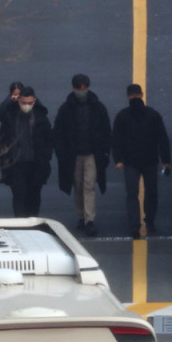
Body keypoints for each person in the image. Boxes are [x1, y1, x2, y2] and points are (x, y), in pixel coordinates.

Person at [53, 73, 111, 236]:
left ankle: (88, 218)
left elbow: (106, 130)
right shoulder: (68, 109)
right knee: (78, 185)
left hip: (91, 153)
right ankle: (82, 215)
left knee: (88, 185)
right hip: (75, 153)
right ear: (74, 88)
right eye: (79, 88)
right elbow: (58, 132)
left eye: (83, 89)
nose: (81, 91)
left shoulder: (95, 107)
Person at [111, 83, 171, 238]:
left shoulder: (122, 116)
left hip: (130, 162)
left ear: (127, 96)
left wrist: (118, 159)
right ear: (142, 94)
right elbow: (162, 139)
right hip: (150, 160)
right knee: (151, 192)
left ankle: (134, 226)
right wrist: (166, 160)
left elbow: (116, 140)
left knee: (132, 193)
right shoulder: (153, 114)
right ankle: (149, 221)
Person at [0, 85, 54, 217]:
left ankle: (32, 222)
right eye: (24, 102)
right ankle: (20, 223)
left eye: (30, 103)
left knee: (34, 196)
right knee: (19, 195)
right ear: (18, 100)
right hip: (16, 164)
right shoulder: (11, 115)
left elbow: (49, 138)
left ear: (34, 101)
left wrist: (46, 157)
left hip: (36, 163)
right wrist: (10, 99)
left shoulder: (40, 116)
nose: (27, 105)